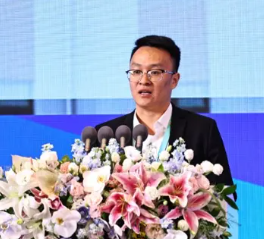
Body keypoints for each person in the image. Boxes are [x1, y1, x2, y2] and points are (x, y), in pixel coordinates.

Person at [95, 35, 235, 191]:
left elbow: (224, 194)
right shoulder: (105, 135)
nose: (144, 80)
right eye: (136, 71)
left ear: (174, 80)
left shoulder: (202, 130)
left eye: (155, 72)